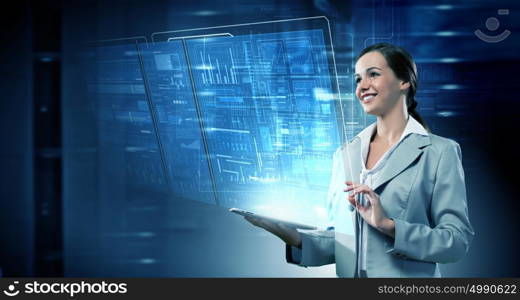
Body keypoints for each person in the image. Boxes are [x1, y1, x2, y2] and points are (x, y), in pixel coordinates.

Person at [244, 43, 474, 277]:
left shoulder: (439, 152)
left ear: (404, 81)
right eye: (357, 79)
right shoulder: (345, 154)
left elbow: (456, 242)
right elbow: (341, 243)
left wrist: (388, 225)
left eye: (373, 74)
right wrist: (292, 235)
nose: (362, 86)